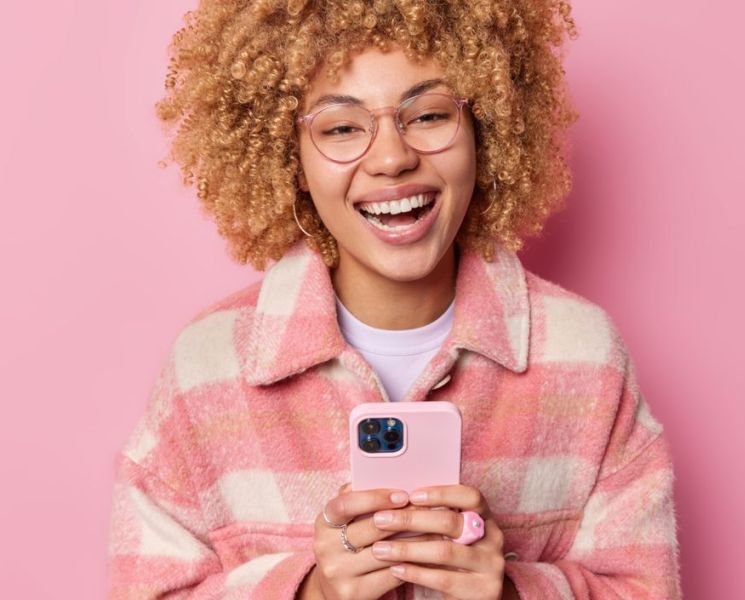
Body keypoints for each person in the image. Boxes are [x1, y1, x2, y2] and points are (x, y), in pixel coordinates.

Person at [107, 1, 682, 598]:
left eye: (429, 114)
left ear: (485, 129)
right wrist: (310, 593)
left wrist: (512, 591)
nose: (391, 158)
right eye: (341, 127)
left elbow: (645, 588)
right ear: (291, 159)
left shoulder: (584, 358)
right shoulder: (206, 367)